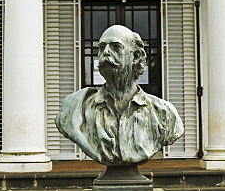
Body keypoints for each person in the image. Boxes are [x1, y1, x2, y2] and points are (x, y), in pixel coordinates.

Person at [55, 24, 183, 164]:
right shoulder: (77, 107)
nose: (106, 53)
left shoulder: (164, 113)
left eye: (116, 47)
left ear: (135, 56)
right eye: (102, 48)